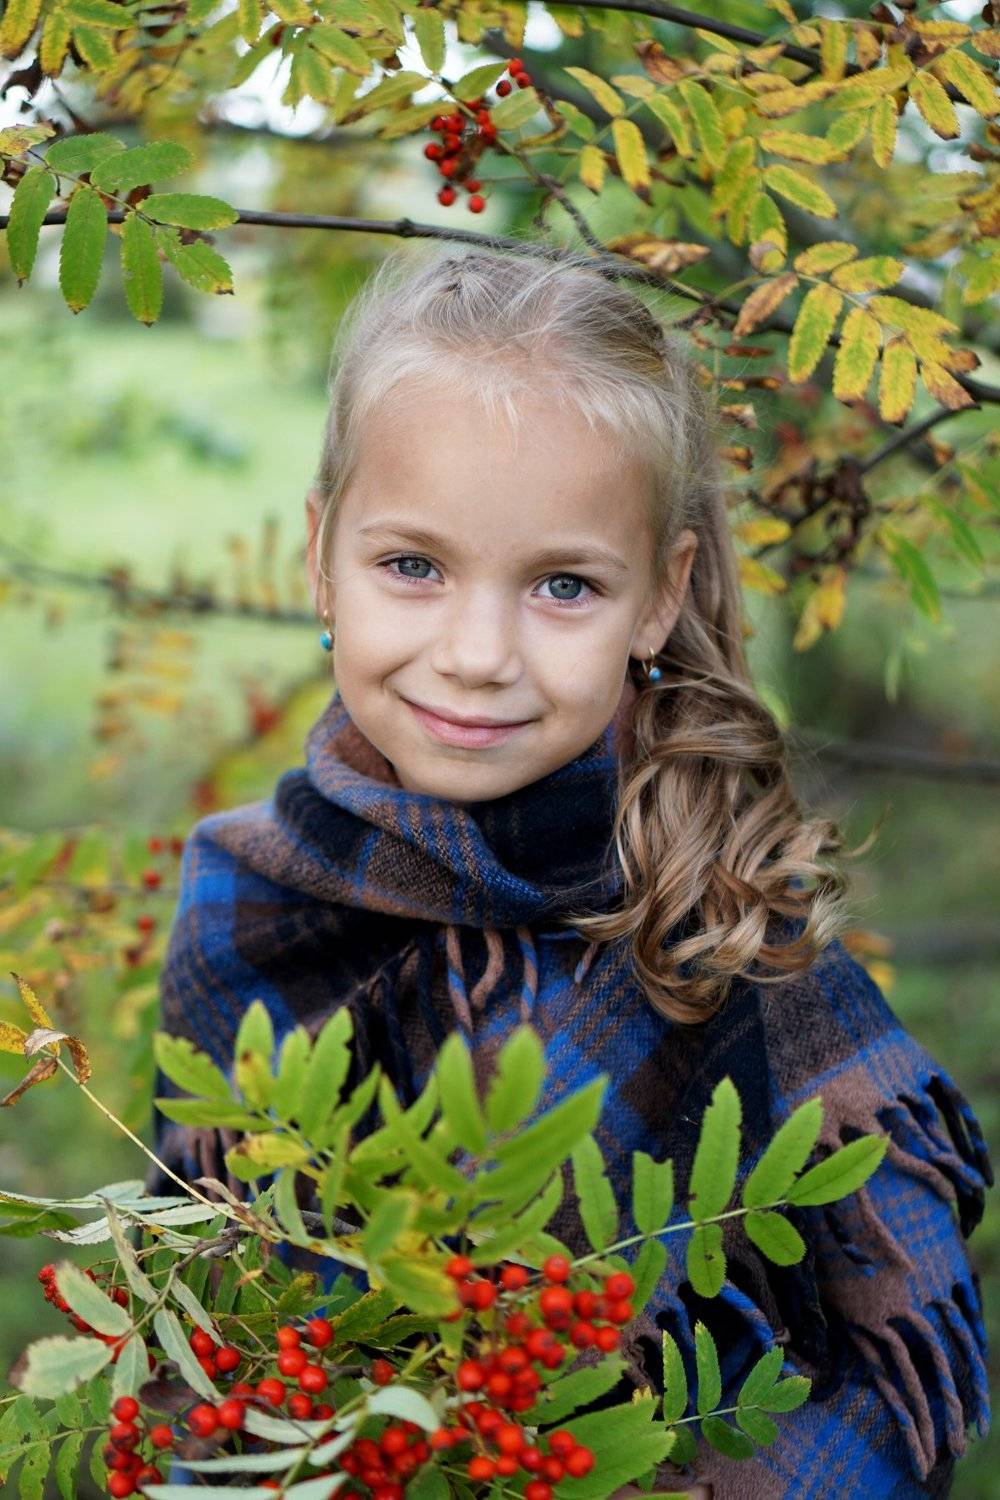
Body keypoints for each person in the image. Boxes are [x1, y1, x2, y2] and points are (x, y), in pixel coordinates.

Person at [147, 246, 991, 1497]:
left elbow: (900, 1369)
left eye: (562, 585)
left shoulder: (719, 926)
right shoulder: (249, 898)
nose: (477, 654)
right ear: (320, 556)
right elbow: (205, 1308)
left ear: (657, 599)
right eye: (413, 566)